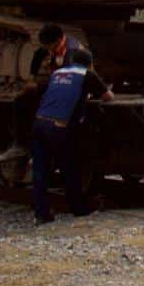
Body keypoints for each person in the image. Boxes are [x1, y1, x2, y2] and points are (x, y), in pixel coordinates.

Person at [30, 45, 112, 224]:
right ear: (89, 64)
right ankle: (78, 209)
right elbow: (108, 96)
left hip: (39, 122)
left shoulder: (57, 73)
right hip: (59, 126)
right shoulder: (87, 74)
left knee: (40, 171)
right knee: (69, 168)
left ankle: (41, 214)